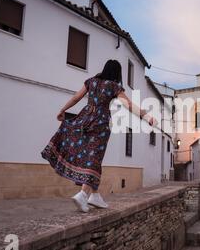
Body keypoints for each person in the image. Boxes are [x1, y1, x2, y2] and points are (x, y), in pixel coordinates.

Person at [41, 60, 155, 212]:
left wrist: (63, 109)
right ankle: (82, 195)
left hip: (84, 119)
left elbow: (76, 98)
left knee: (89, 156)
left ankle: (94, 196)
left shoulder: (91, 82)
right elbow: (128, 105)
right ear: (117, 73)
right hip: (100, 123)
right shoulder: (114, 86)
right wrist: (146, 116)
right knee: (95, 158)